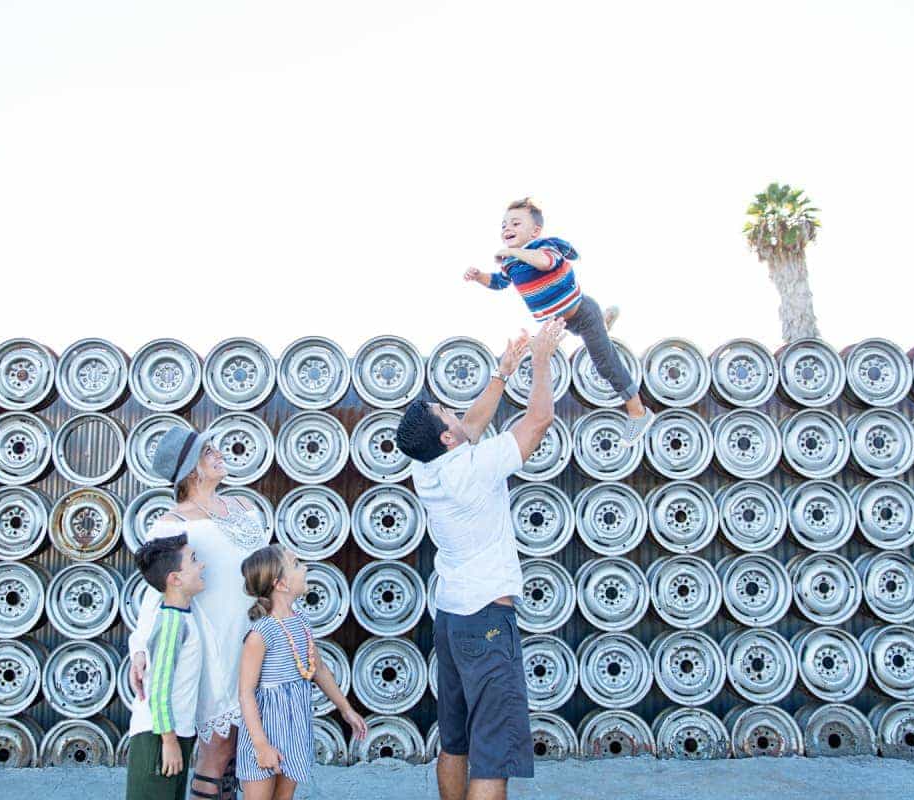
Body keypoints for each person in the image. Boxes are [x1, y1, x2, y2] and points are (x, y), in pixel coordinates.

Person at [395, 318, 565, 800]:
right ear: (444, 439)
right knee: (492, 755)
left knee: (455, 743)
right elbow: (538, 422)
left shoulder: (426, 466)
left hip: (450, 617)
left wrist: (501, 373)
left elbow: (468, 428)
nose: (454, 414)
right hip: (488, 619)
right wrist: (541, 359)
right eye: (445, 412)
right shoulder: (474, 467)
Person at [129, 425, 271, 800]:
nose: (219, 454)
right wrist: (140, 646)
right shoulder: (173, 522)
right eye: (209, 452)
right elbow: (154, 589)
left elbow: (268, 567)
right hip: (215, 642)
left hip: (255, 635)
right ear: (192, 469)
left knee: (242, 749)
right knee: (218, 748)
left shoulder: (244, 506)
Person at [464, 196, 654, 444]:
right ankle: (604, 326)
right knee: (543, 353)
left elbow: (546, 263)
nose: (507, 229)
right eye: (503, 225)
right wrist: (479, 277)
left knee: (603, 362)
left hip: (582, 312)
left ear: (535, 230)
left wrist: (514, 251)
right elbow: (499, 283)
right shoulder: (510, 263)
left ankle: (638, 412)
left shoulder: (544, 246)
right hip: (558, 321)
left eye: (515, 223)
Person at [235, 545, 367, 800]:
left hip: (295, 727)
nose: (305, 567)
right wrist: (261, 745)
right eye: (296, 564)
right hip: (265, 729)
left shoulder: (302, 622)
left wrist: (345, 708)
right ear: (281, 584)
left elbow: (319, 669)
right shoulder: (260, 634)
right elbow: (246, 694)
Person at [125, 534, 207, 800]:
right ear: (175, 579)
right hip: (158, 736)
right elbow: (159, 689)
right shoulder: (172, 624)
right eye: (193, 561)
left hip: (173, 731)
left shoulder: (182, 614)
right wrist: (169, 741)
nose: (202, 566)